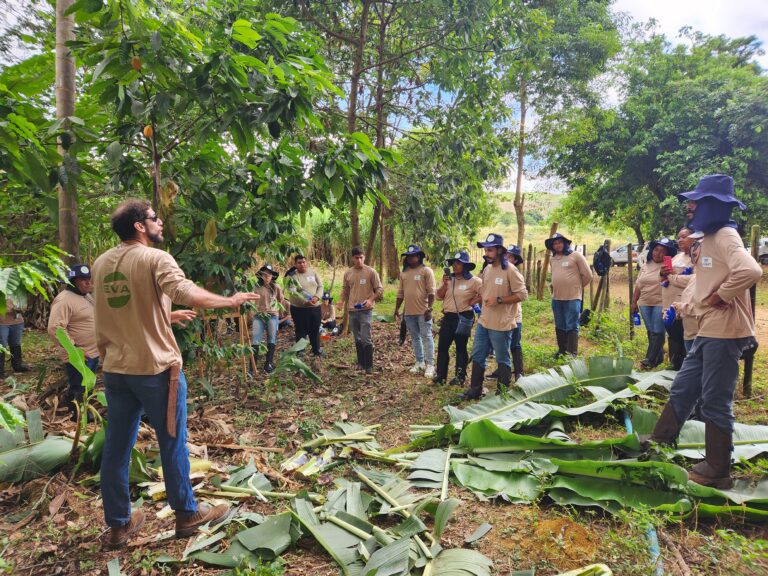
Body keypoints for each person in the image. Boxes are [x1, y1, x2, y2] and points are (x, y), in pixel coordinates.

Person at [93, 199, 259, 550]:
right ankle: (187, 514)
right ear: (140, 226)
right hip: (155, 370)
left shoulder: (101, 263)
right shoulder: (155, 258)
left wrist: (167, 317)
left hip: (117, 370)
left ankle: (119, 527)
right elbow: (183, 290)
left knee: (117, 447)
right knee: (172, 442)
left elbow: (120, 314)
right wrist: (230, 301)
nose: (161, 223)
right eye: (155, 218)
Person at [641, 174, 762, 488]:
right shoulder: (707, 240)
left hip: (726, 332)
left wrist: (721, 296)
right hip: (708, 329)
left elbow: (750, 270)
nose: (690, 207)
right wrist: (685, 307)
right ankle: (661, 439)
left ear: (715, 206)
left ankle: (718, 467)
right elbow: (701, 284)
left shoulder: (724, 234)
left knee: (714, 400)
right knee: (683, 386)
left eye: (697, 202)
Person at [458, 233, 527, 400]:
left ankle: (502, 391)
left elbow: (522, 295)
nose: (486, 253)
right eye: (485, 250)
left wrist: (499, 300)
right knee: (478, 353)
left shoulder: (510, 270)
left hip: (501, 323)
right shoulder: (487, 270)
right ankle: (475, 389)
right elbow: (486, 292)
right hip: (484, 321)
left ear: (499, 251)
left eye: (490, 250)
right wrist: (476, 299)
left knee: (502, 357)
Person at [47, 263, 99, 418]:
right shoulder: (64, 300)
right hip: (79, 355)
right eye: (83, 279)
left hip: (92, 352)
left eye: (89, 279)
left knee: (85, 385)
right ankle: (81, 416)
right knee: (80, 386)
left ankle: (71, 406)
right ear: (72, 281)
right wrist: (75, 349)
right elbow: (55, 328)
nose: (87, 282)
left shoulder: (86, 296)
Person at [434, 251, 482, 386]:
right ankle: (440, 376)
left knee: (461, 347)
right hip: (448, 317)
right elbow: (438, 296)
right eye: (453, 263)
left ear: (465, 265)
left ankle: (460, 377)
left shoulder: (474, 281)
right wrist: (445, 284)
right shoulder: (449, 279)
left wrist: (474, 301)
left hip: (463, 317)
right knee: (443, 347)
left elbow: (486, 292)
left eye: (458, 263)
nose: (455, 266)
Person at [632, 237, 677, 368]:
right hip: (644, 303)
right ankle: (658, 358)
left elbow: (672, 281)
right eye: (656, 250)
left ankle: (649, 360)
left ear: (668, 254)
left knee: (658, 331)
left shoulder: (669, 266)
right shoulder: (646, 265)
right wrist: (634, 302)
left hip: (661, 302)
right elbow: (638, 285)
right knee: (651, 331)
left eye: (662, 251)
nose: (658, 253)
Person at [338, 247, 383, 374]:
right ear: (352, 258)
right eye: (356, 258)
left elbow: (379, 289)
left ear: (364, 257)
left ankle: (369, 366)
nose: (359, 260)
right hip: (352, 310)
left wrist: (370, 300)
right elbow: (345, 289)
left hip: (366, 310)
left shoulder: (370, 272)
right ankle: (361, 363)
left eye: (361, 257)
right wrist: (341, 300)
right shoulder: (348, 273)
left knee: (365, 337)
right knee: (357, 337)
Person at [394, 245, 437, 378]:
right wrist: (396, 309)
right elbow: (401, 293)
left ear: (419, 257)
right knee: (415, 338)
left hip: (423, 311)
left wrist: (429, 308)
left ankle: (430, 364)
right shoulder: (404, 273)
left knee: (427, 336)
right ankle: (420, 362)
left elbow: (432, 292)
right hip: (409, 312)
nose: (411, 258)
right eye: (409, 256)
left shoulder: (426, 271)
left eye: (414, 255)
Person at [546, 233, 592, 357]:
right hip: (557, 297)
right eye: (555, 243)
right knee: (559, 324)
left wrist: (577, 287)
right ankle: (562, 350)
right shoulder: (553, 259)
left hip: (573, 297)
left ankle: (572, 352)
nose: (557, 245)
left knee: (571, 324)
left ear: (565, 243)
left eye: (560, 242)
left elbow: (588, 275)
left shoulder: (575, 256)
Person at [661, 227, 694, 369]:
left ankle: (685, 372)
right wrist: (662, 273)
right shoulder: (677, 257)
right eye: (678, 237)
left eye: (684, 237)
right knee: (673, 339)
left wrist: (673, 276)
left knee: (685, 342)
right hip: (668, 306)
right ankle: (674, 368)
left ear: (695, 237)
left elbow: (695, 280)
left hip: (683, 308)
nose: (680, 240)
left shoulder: (697, 257)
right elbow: (664, 279)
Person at [250, 264, 287, 374]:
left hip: (272, 315)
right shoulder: (256, 287)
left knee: (271, 339)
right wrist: (251, 313)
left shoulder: (276, 287)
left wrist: (275, 310)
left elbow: (281, 300)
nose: (267, 276)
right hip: (258, 316)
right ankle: (252, 367)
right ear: (261, 275)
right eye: (265, 274)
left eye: (269, 274)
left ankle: (268, 364)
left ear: (272, 276)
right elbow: (250, 300)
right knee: (255, 340)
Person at [285, 255, 324, 357]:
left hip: (315, 307)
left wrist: (317, 297)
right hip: (299, 309)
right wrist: (304, 301)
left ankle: (316, 350)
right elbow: (293, 292)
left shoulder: (313, 272)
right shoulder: (292, 276)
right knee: (300, 329)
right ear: (295, 264)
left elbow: (320, 286)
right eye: (299, 263)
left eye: (303, 262)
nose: (302, 264)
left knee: (315, 329)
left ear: (306, 263)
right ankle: (300, 350)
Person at [0, 297, 30, 377]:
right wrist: (9, 308)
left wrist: (22, 308)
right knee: (2, 345)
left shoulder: (17, 289)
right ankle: (0, 370)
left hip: (17, 322)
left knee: (16, 344)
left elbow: (24, 305)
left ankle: (17, 366)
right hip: (2, 323)